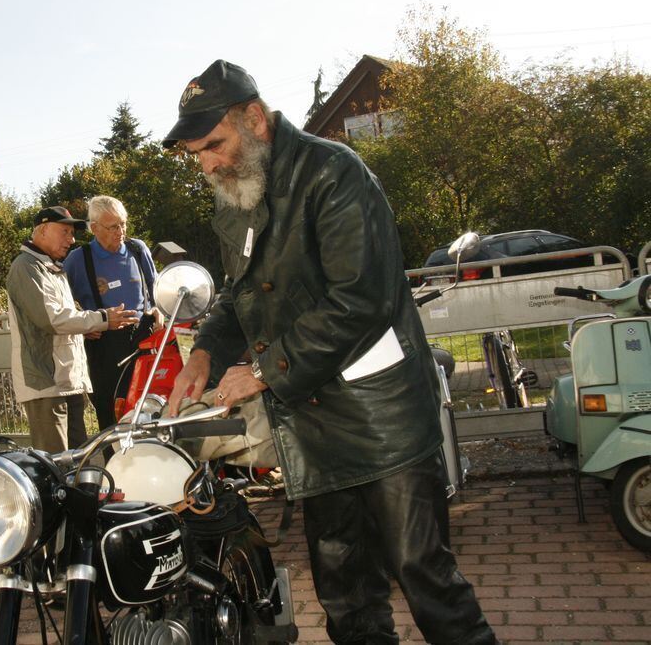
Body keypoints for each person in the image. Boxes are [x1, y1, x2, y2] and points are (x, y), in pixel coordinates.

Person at [163, 60, 496, 645]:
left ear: (255, 120)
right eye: (196, 154)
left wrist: (262, 371)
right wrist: (206, 353)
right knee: (346, 598)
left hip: (382, 414)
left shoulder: (334, 172)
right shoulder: (234, 196)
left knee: (427, 581)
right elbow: (241, 294)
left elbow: (359, 299)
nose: (208, 163)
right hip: (312, 418)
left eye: (214, 144)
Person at [7, 205, 139, 452]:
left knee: (77, 461)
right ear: (43, 230)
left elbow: (65, 319)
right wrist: (102, 318)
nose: (72, 239)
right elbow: (53, 319)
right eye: (65, 232)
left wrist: (83, 328)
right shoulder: (26, 267)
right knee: (56, 464)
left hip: (68, 382)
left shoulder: (52, 267)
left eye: (72, 233)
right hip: (45, 384)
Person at [63, 195, 159, 432]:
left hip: (143, 340)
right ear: (94, 228)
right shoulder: (78, 259)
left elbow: (157, 290)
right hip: (105, 346)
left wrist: (159, 310)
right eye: (113, 226)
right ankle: (113, 465)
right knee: (110, 413)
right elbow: (62, 302)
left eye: (123, 224)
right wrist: (84, 326)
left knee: (148, 408)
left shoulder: (138, 249)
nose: (121, 231)